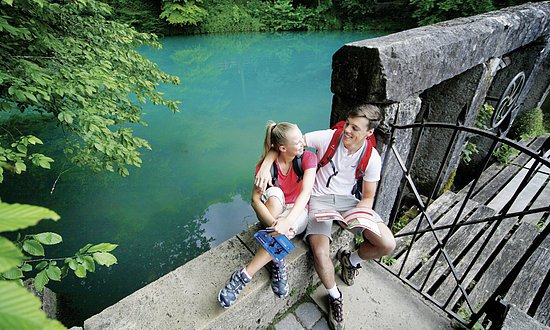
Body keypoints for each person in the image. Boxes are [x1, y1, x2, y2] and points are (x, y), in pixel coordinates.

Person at [255, 105, 396, 330]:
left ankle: (351, 261)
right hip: (318, 202)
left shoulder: (372, 159)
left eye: (355, 128)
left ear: (369, 133)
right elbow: (286, 141)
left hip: (349, 203)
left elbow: (368, 197)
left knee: (387, 243)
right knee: (320, 253)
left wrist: (358, 216)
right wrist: (266, 163)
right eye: (347, 123)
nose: (347, 130)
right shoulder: (328, 138)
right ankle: (334, 296)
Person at [218, 121, 317, 308]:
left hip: (298, 209)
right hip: (274, 210)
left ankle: (244, 274)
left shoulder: (308, 158)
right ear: (282, 147)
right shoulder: (266, 168)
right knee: (274, 195)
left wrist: (286, 222)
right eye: (297, 142)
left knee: (286, 230)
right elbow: (255, 200)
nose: (303, 143)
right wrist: (275, 224)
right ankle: (277, 257)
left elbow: (306, 193)